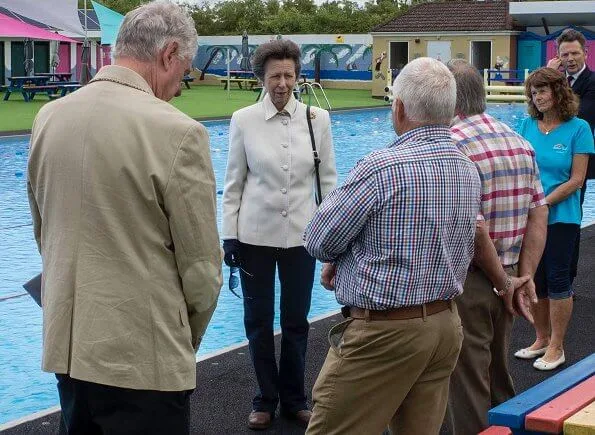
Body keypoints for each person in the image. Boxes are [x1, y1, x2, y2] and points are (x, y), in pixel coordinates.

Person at [27, 2, 222, 433]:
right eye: (183, 72)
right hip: (143, 362)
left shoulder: (49, 117)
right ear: (169, 54)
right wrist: (180, 338)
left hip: (69, 349)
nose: (178, 87)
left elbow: (45, 232)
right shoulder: (177, 132)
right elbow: (203, 270)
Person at [303, 57, 481, 435]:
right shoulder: (466, 167)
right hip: (444, 324)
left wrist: (343, 259)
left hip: (386, 332)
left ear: (399, 108)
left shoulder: (383, 166)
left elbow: (318, 240)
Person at [222, 39, 337, 430]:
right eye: (275, 76)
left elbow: (328, 182)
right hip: (254, 236)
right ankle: (264, 398)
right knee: (257, 321)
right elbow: (233, 183)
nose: (282, 83)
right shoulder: (243, 120)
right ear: (262, 78)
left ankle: (294, 398)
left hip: (302, 238)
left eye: (289, 75)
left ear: (298, 76)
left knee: (296, 321)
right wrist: (229, 236)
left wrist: (332, 236)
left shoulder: (318, 119)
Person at [444, 59, 548, 435]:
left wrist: (505, 282)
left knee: (468, 379)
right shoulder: (518, 141)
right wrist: (524, 276)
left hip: (471, 278)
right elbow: (539, 212)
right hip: (510, 272)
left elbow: (474, 229)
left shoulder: (453, 145)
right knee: (497, 371)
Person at [516, 67, 594, 370]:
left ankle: (557, 347)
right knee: (536, 279)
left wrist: (543, 203)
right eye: (534, 93)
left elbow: (577, 179)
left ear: (558, 92)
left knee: (559, 279)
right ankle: (541, 338)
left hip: (562, 217)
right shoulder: (526, 126)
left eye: (543, 91)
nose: (538, 98)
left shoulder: (579, 128)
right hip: (530, 218)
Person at [547, 28, 595, 281]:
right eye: (565, 54)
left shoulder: (592, 83)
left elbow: (578, 115)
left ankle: (568, 277)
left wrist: (554, 84)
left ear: (585, 53)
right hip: (549, 161)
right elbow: (536, 107)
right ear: (558, 55)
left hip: (577, 162)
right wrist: (550, 79)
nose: (570, 58)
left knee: (571, 221)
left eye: (575, 53)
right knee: (545, 216)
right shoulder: (554, 79)